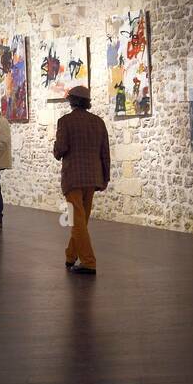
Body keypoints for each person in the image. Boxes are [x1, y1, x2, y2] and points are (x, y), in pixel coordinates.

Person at [53, 85, 110, 274]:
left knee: (76, 221)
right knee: (81, 220)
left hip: (73, 179)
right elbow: (105, 153)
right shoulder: (98, 122)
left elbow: (60, 150)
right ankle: (70, 255)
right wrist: (105, 177)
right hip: (93, 178)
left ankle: (88, 262)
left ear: (72, 101)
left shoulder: (65, 121)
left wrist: (56, 147)